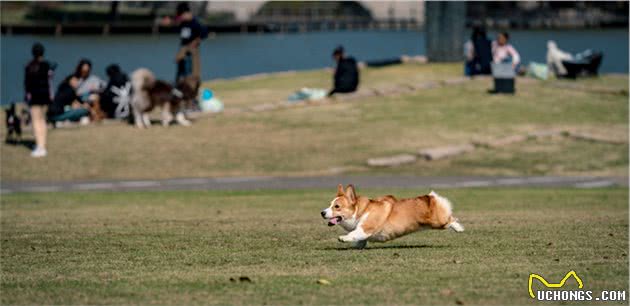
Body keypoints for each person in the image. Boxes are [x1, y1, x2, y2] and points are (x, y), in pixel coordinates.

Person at [24, 42, 54, 158]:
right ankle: (42, 145)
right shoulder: (47, 65)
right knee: (43, 120)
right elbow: (50, 80)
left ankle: (39, 146)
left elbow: (27, 84)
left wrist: (27, 96)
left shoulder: (29, 66)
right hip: (45, 96)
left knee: (36, 121)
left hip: (35, 96)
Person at [174, 2, 207, 85]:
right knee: (180, 69)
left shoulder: (195, 23)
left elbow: (204, 33)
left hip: (191, 50)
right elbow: (179, 29)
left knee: (189, 70)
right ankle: (179, 85)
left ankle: (189, 86)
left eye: (182, 15)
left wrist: (196, 41)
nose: (181, 17)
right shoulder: (183, 23)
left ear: (187, 13)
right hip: (183, 48)